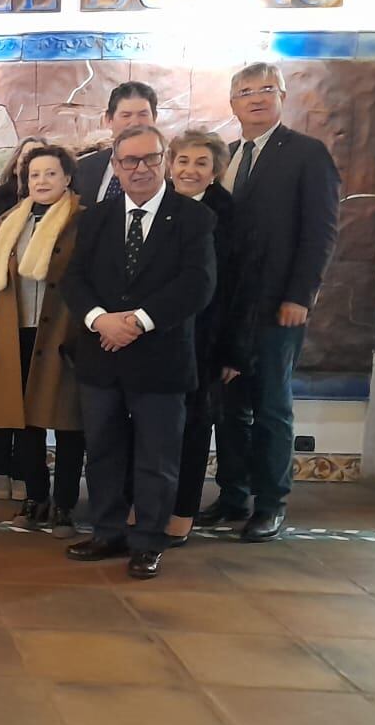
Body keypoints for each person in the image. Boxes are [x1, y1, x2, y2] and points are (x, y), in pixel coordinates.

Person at [62, 125, 215, 580]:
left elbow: (197, 284)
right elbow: (74, 279)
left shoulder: (193, 218)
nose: (140, 168)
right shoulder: (95, 217)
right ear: (116, 165)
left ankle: (149, 540)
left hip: (161, 358)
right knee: (104, 450)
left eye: (150, 158)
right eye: (130, 160)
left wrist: (135, 321)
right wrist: (99, 320)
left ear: (164, 160)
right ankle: (107, 531)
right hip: (100, 355)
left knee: (157, 457)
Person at [203, 63, 341, 542]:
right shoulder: (227, 156)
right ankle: (233, 495)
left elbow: (320, 231)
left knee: (270, 404)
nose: (255, 98)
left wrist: (299, 295)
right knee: (229, 405)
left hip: (277, 305)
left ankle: (271, 503)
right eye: (245, 91)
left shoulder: (306, 154)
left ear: (282, 96)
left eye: (266, 89)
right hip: (229, 307)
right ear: (232, 102)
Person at [0, 145, 84, 538]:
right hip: (15, 334)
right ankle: (35, 497)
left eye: (51, 174)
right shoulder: (10, 221)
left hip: (62, 337)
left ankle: (65, 504)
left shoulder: (82, 220)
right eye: (34, 175)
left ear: (67, 178)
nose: (41, 181)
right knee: (27, 424)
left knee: (70, 425)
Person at [165, 130, 258, 545]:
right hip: (152, 339)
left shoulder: (230, 214)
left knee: (195, 426)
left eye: (201, 163)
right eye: (183, 161)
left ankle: (182, 512)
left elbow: (242, 288)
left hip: (205, 341)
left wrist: (234, 351)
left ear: (216, 171)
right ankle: (146, 504)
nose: (190, 170)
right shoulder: (154, 208)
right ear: (170, 164)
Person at [0, 134, 46, 502]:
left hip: (41, 323)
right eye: (26, 161)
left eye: (40, 163)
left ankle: (25, 470)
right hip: (3, 318)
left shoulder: (63, 211)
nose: (33, 170)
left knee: (31, 402)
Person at [71, 82, 158, 207]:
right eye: (126, 115)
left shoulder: (172, 168)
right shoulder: (82, 168)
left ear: (154, 118)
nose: (135, 123)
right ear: (108, 119)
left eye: (143, 114)